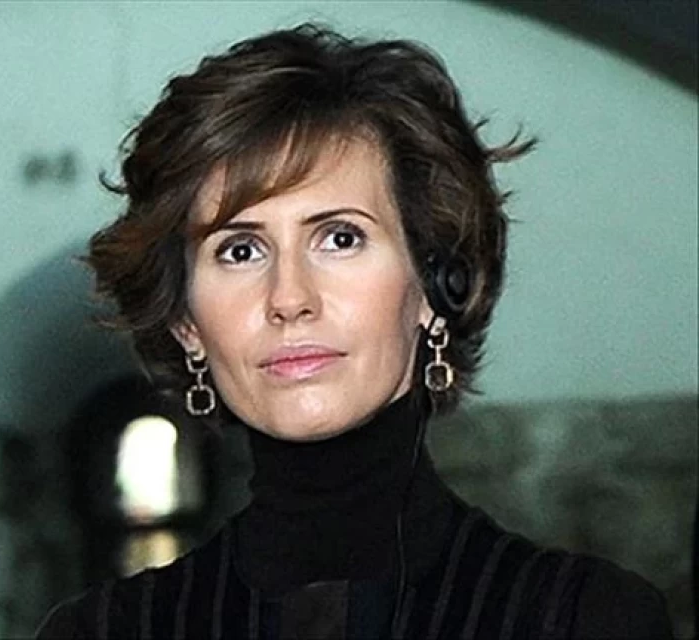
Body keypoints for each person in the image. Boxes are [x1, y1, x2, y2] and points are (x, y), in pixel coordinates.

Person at [36, 24, 674, 639]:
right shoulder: (99, 633)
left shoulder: (588, 620)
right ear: (186, 324)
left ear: (434, 287)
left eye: (340, 238)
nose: (290, 298)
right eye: (240, 250)